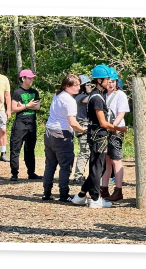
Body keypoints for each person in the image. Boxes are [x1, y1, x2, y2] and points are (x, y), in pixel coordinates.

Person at [71, 64, 128, 208]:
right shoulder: (97, 97)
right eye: (106, 79)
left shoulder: (99, 95)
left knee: (99, 167)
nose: (109, 81)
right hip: (99, 135)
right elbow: (103, 122)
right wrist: (118, 128)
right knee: (97, 167)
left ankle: (81, 195)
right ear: (99, 80)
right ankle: (95, 198)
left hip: (99, 135)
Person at [42, 74, 87, 202]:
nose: (79, 87)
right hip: (61, 134)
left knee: (50, 164)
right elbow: (72, 122)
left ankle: (46, 193)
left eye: (79, 84)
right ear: (67, 86)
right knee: (65, 165)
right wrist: (84, 130)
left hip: (49, 132)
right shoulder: (70, 100)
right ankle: (63, 194)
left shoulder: (57, 95)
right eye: (76, 85)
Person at [100, 67, 130, 202]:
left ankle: (118, 190)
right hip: (106, 129)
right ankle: (103, 188)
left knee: (116, 160)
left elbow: (121, 113)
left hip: (116, 131)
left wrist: (112, 127)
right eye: (109, 81)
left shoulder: (120, 95)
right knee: (106, 160)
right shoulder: (102, 95)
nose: (111, 84)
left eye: (114, 81)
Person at [9, 69, 43, 181]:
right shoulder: (17, 92)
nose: (32, 79)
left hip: (32, 124)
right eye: (29, 78)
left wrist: (23, 105)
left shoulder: (35, 92)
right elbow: (13, 109)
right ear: (23, 78)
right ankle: (14, 173)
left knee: (30, 149)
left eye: (32, 77)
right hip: (20, 123)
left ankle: (31, 173)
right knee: (15, 148)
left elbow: (38, 107)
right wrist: (28, 105)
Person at [72, 75, 94, 184]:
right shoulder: (79, 97)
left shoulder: (84, 96)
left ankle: (82, 175)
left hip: (87, 126)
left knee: (88, 152)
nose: (90, 87)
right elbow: (90, 100)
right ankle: (78, 176)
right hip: (82, 127)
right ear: (82, 86)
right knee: (85, 152)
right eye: (88, 85)